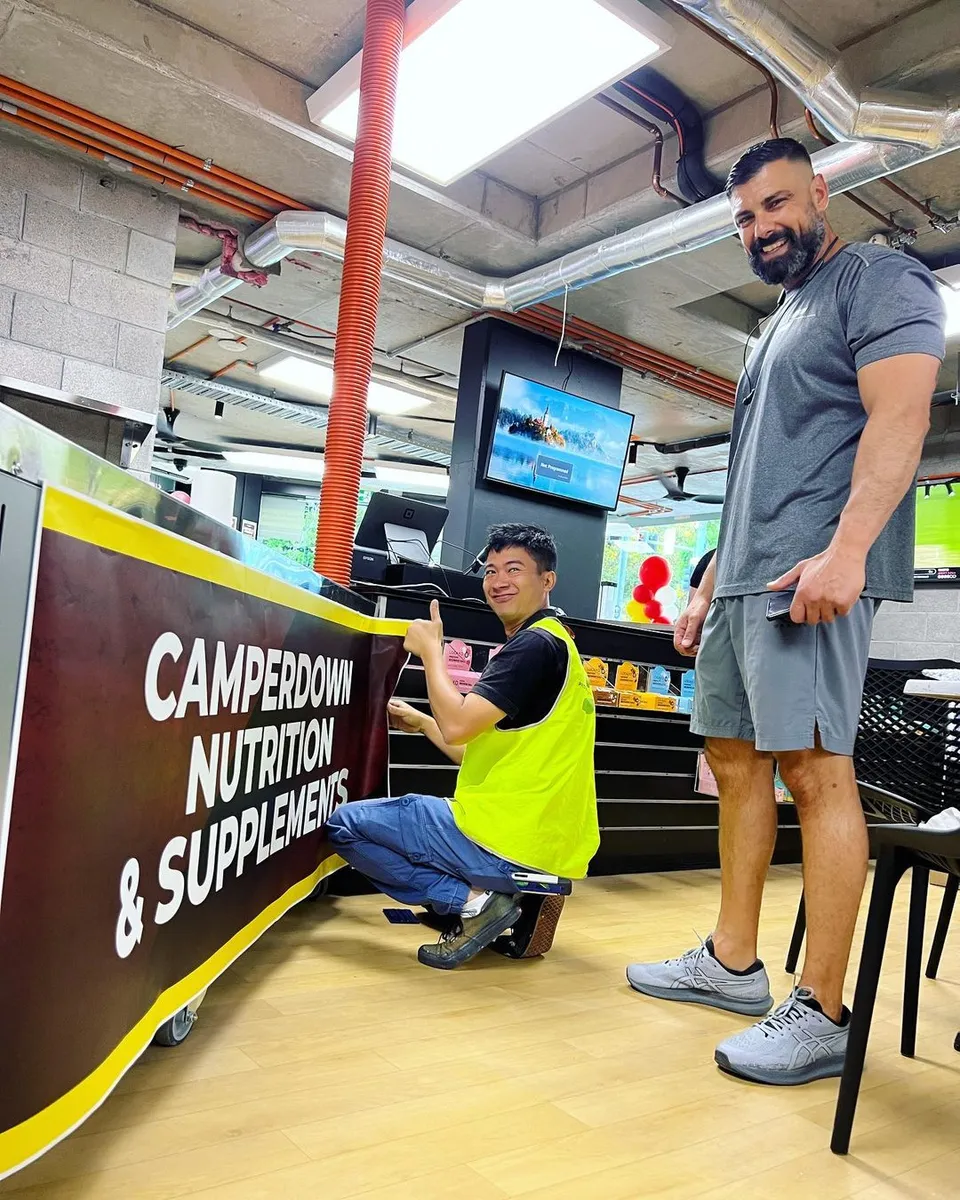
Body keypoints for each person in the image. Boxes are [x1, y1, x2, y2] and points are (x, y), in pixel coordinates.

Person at [626, 138, 945, 1084]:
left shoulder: (878, 278)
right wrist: (703, 580)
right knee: (732, 762)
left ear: (819, 189)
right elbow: (755, 473)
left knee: (815, 772)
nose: (761, 229)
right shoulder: (778, 322)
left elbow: (901, 418)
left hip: (808, 576)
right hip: (743, 582)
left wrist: (846, 552)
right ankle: (732, 963)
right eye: (744, 220)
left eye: (774, 205)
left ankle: (825, 1010)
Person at [325, 523, 599, 970]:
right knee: (412, 825)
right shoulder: (560, 645)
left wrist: (431, 652)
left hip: (505, 832)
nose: (498, 581)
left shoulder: (531, 646)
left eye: (515, 570)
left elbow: (457, 728)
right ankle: (496, 894)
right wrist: (424, 723)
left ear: (546, 581)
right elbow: (474, 748)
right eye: (491, 571)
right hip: (550, 837)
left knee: (347, 825)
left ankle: (474, 901)